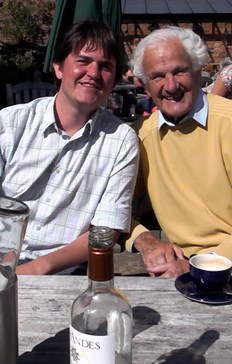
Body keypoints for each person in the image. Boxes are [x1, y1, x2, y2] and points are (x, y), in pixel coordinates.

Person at [0, 19, 139, 275]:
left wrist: (34, 270)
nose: (94, 73)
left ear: (114, 80)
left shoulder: (122, 140)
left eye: (105, 66)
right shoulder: (10, 123)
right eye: (83, 61)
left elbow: (106, 229)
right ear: (59, 67)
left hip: (64, 271)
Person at [125, 26, 232, 278]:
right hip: (178, 273)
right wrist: (146, 241)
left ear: (197, 71)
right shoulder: (140, 136)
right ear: (145, 85)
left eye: (179, 71)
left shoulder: (228, 123)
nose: (171, 85)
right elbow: (113, 207)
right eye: (158, 76)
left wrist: (201, 266)